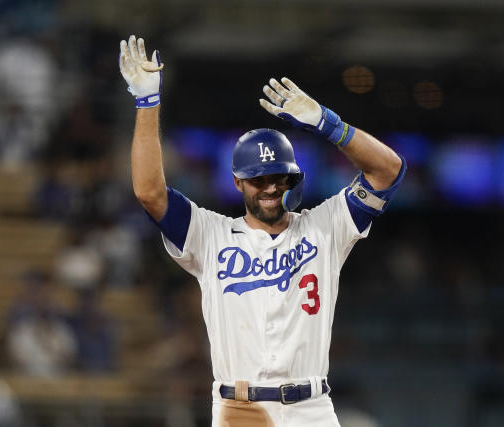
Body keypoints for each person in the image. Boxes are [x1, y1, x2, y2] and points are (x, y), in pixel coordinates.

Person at [119, 35, 406, 427]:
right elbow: (149, 192)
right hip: (241, 409)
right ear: (238, 182)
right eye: (258, 179)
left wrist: (328, 124)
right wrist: (147, 103)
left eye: (278, 177)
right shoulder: (209, 234)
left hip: (312, 408)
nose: (270, 187)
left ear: (292, 179)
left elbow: (388, 171)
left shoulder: (326, 227)